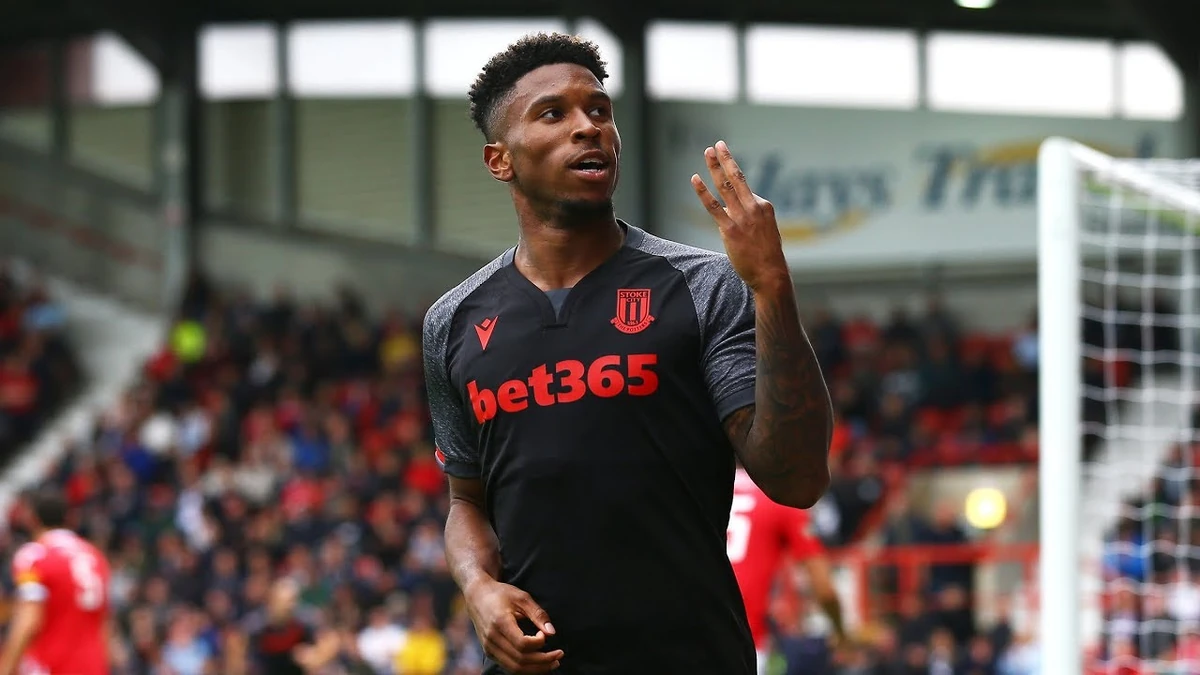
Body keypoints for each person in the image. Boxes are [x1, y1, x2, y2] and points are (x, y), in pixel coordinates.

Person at [422, 32, 833, 675]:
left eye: (600, 110)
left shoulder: (702, 286)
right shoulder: (452, 322)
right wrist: (478, 588)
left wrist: (772, 288)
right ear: (500, 160)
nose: (589, 126)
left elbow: (796, 478)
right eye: (553, 113)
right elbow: (466, 501)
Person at [728, 465, 845, 675]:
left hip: (688, 632)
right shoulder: (778, 497)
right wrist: (841, 634)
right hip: (743, 639)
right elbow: (824, 587)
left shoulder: (704, 489)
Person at [0, 491, 112, 675]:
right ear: (69, 517)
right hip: (93, 667)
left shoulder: (34, 556)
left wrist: (6, 668)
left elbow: (29, 619)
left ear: (32, 518)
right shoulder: (95, 556)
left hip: (53, 665)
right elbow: (104, 624)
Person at [251, 578, 341, 675]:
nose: (290, 606)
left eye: (293, 601)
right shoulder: (256, 626)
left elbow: (332, 640)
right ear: (271, 602)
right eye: (285, 602)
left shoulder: (305, 620)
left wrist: (316, 658)